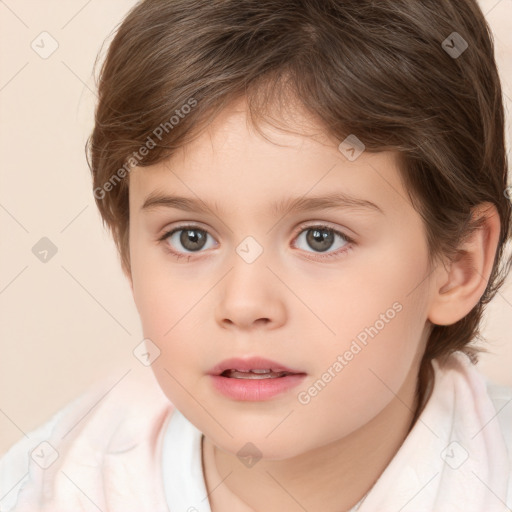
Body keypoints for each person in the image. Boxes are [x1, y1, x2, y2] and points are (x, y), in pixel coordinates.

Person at [1, 0, 512, 510]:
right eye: (190, 238)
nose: (244, 304)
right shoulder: (46, 489)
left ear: (457, 265)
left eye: (320, 238)